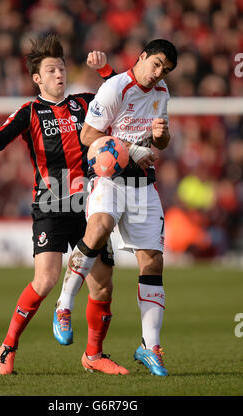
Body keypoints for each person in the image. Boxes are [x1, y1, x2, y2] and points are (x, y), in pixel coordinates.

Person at [0, 34, 129, 375]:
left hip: (89, 205)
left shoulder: (85, 104)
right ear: (37, 78)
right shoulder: (29, 111)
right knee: (45, 280)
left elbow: (121, 96)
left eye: (61, 68)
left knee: (103, 283)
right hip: (50, 204)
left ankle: (94, 354)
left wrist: (105, 69)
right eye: (51, 70)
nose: (59, 74)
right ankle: (8, 347)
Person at [60, 39, 178, 376]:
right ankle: (64, 304)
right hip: (110, 179)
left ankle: (149, 345)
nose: (158, 74)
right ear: (141, 57)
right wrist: (130, 148)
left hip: (143, 184)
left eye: (165, 70)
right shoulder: (115, 87)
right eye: (155, 64)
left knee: (153, 261)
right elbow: (87, 136)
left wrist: (160, 136)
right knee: (98, 229)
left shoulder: (162, 93)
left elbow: (161, 143)